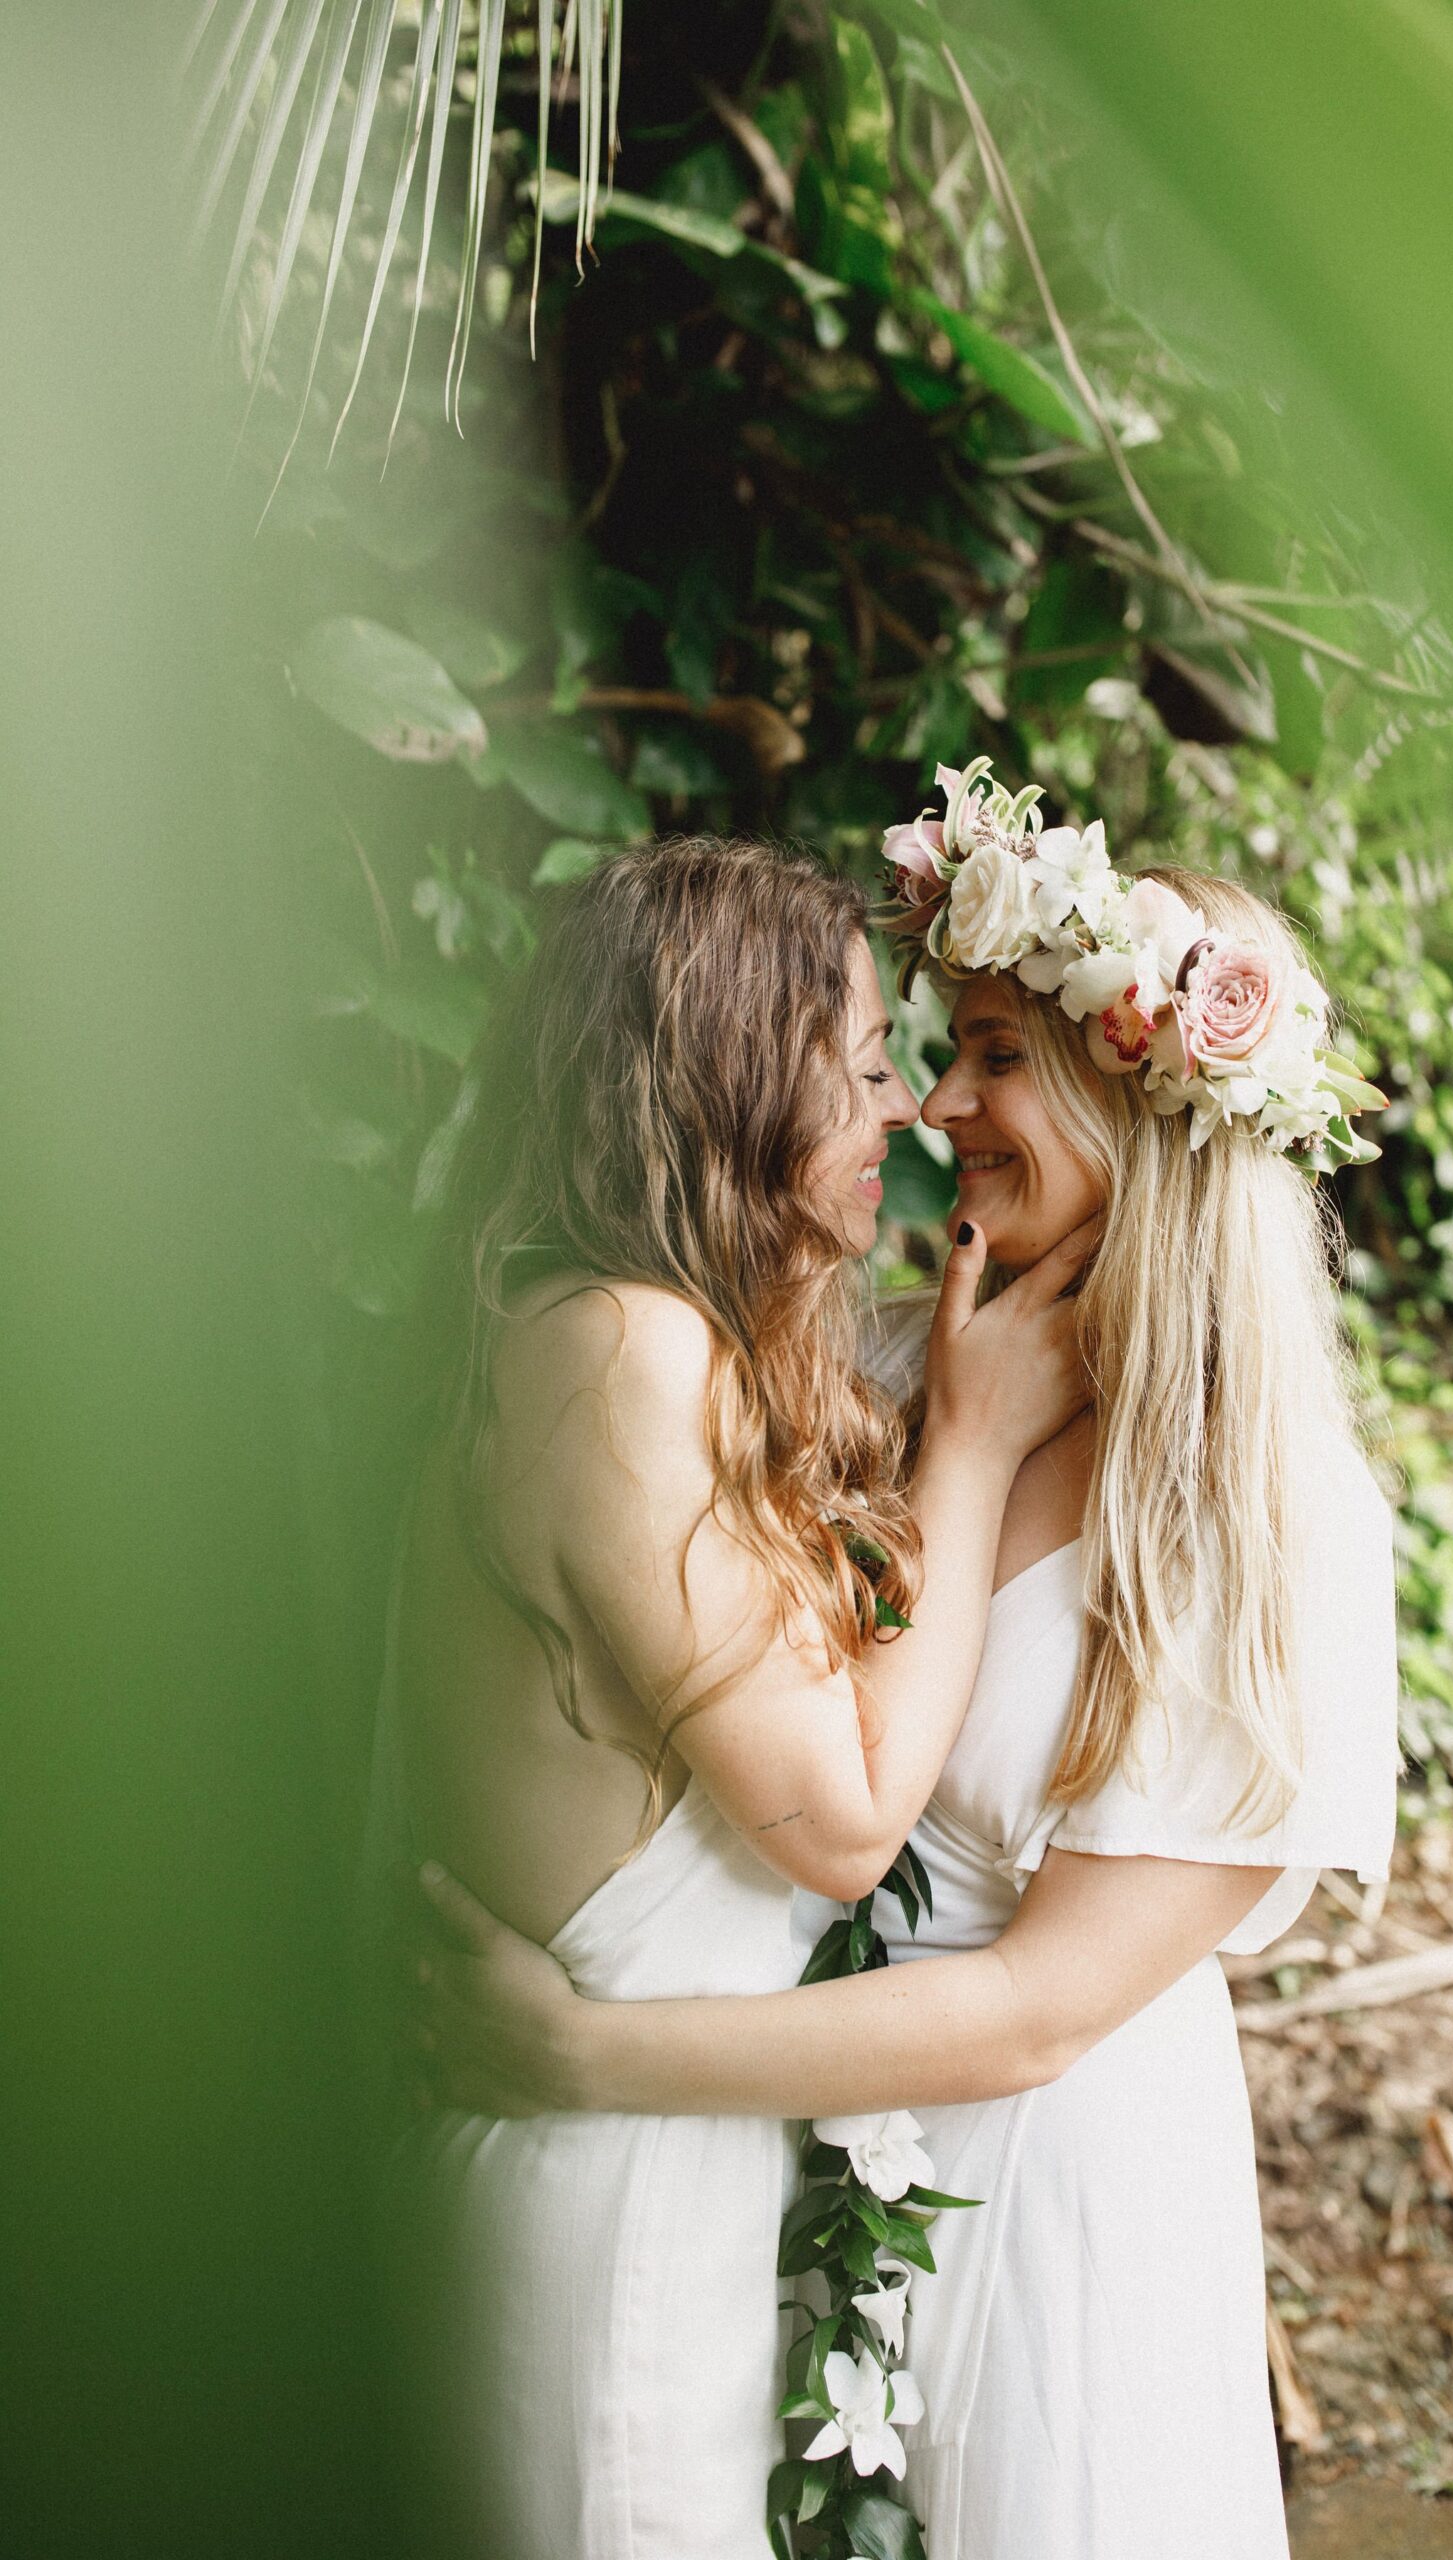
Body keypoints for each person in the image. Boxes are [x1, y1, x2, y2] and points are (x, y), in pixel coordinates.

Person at [413, 777, 1398, 2559]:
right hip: (785, 2185)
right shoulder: (882, 1365)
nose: (940, 1105)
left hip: (1049, 2212)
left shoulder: (1274, 1524)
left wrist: (586, 2058)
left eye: (998, 1056)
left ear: (1139, 1095)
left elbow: (1038, 2011)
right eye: (922, 1055)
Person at [372, 833, 1093, 2559]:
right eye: (859, 1067)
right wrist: (979, 1449)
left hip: (640, 2162)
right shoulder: (625, 1350)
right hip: (591, 2198)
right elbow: (845, 1824)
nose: (907, 1110)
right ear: (734, 1084)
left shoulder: (591, 1326)